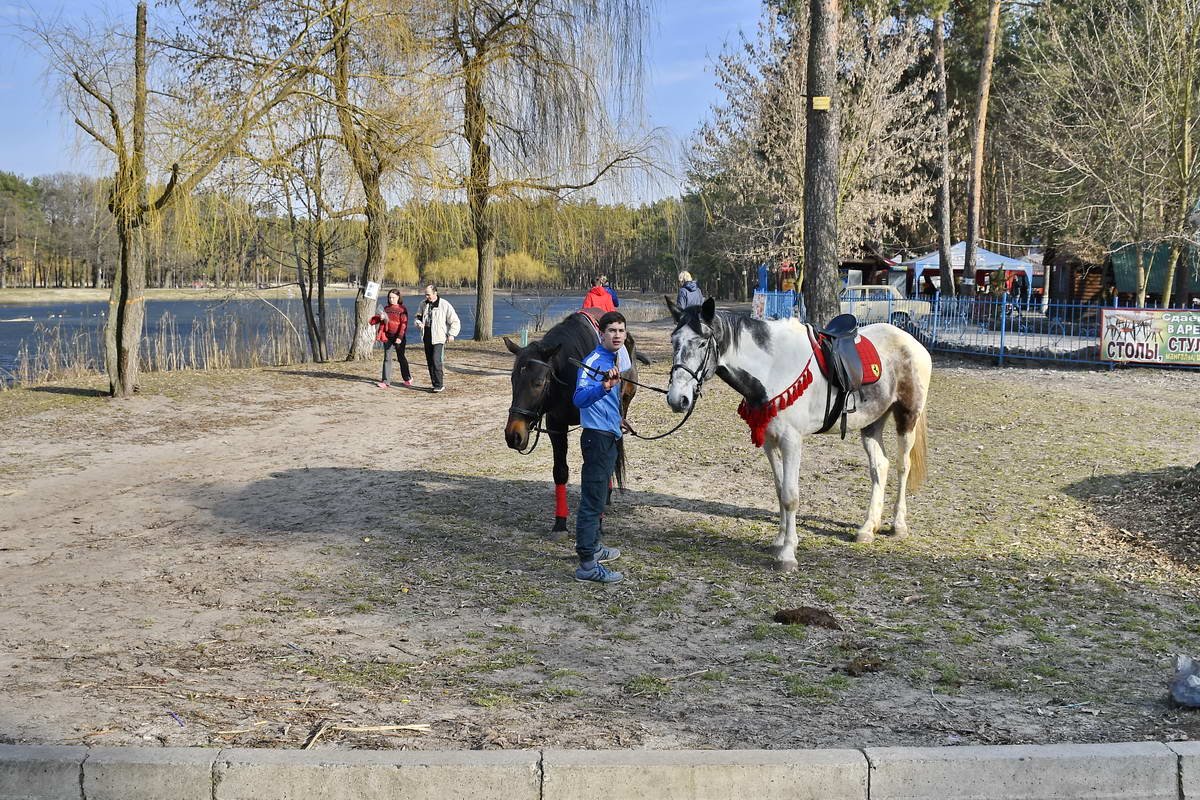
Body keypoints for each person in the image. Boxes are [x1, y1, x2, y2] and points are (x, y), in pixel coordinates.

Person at [571, 310, 630, 584]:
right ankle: (586, 564)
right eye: (612, 331)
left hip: (609, 434)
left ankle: (595, 547)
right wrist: (603, 387)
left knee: (598, 498)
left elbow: (605, 403)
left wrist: (618, 419)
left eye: (621, 330)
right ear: (601, 334)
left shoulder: (614, 358)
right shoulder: (593, 361)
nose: (617, 335)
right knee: (592, 501)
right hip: (596, 439)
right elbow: (579, 399)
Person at [414, 284, 460, 393]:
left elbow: (455, 320)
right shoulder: (423, 304)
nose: (427, 297)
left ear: (435, 293)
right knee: (430, 361)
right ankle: (434, 384)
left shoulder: (444, 304)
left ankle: (440, 384)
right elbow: (417, 317)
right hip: (426, 335)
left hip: (439, 337)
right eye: (425, 294)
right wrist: (418, 323)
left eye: (428, 294)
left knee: (436, 360)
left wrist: (452, 334)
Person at [370, 289, 411, 389]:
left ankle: (407, 378)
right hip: (388, 337)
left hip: (399, 338)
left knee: (401, 358)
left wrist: (400, 337)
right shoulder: (386, 309)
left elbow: (403, 325)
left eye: (393, 297)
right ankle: (385, 381)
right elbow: (381, 322)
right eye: (390, 297)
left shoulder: (402, 309)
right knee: (387, 358)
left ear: (398, 298)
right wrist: (381, 318)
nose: (391, 299)